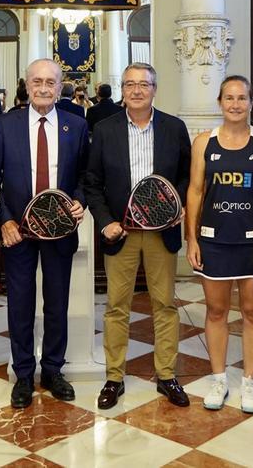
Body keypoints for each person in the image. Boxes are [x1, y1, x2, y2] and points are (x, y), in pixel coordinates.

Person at [83, 63, 191, 410]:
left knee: (165, 305)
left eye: (144, 84)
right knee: (117, 307)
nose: (136, 90)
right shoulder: (104, 129)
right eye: (129, 84)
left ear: (154, 89)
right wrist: (105, 222)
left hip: (162, 233)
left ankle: (167, 375)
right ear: (122, 91)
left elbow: (188, 177)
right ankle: (114, 378)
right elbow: (92, 183)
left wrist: (177, 206)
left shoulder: (175, 128)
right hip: (121, 232)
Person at [0, 58, 89, 408]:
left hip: (60, 229)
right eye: (37, 81)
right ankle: (24, 374)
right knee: (21, 304)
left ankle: (54, 371)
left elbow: (85, 176)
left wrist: (80, 201)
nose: (43, 88)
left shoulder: (76, 125)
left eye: (51, 82)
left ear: (61, 88)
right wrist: (5, 221)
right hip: (19, 232)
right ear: (26, 85)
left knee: (57, 302)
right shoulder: (5, 124)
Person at [184, 75, 253, 413]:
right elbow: (195, 192)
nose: (235, 104)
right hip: (214, 241)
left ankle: (249, 382)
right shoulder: (203, 142)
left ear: (251, 102)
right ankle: (218, 379)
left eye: (242, 98)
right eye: (229, 98)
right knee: (216, 311)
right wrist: (192, 238)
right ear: (220, 102)